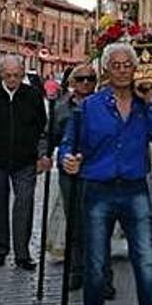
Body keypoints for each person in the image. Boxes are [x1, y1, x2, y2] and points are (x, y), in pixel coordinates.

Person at [60, 43, 152, 305]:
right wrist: (66, 159)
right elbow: (67, 145)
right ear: (106, 70)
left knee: (146, 259)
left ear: (135, 69)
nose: (122, 70)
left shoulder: (143, 104)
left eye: (127, 65)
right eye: (116, 65)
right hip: (97, 191)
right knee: (96, 263)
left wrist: (151, 102)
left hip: (135, 190)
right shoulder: (88, 107)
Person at [0, 55, 49, 270]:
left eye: (17, 75)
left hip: (25, 161)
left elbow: (42, 129)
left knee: (24, 205)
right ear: (0, 74)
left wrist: (42, 155)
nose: (13, 79)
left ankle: (22, 254)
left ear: (23, 74)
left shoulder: (33, 95)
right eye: (8, 75)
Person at [51, 63, 103, 292]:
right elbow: (50, 134)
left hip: (97, 172)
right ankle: (76, 269)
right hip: (70, 172)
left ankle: (102, 275)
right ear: (72, 82)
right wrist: (44, 154)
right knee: (74, 222)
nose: (85, 83)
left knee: (99, 223)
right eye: (80, 79)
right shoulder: (62, 106)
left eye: (90, 79)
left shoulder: (104, 105)